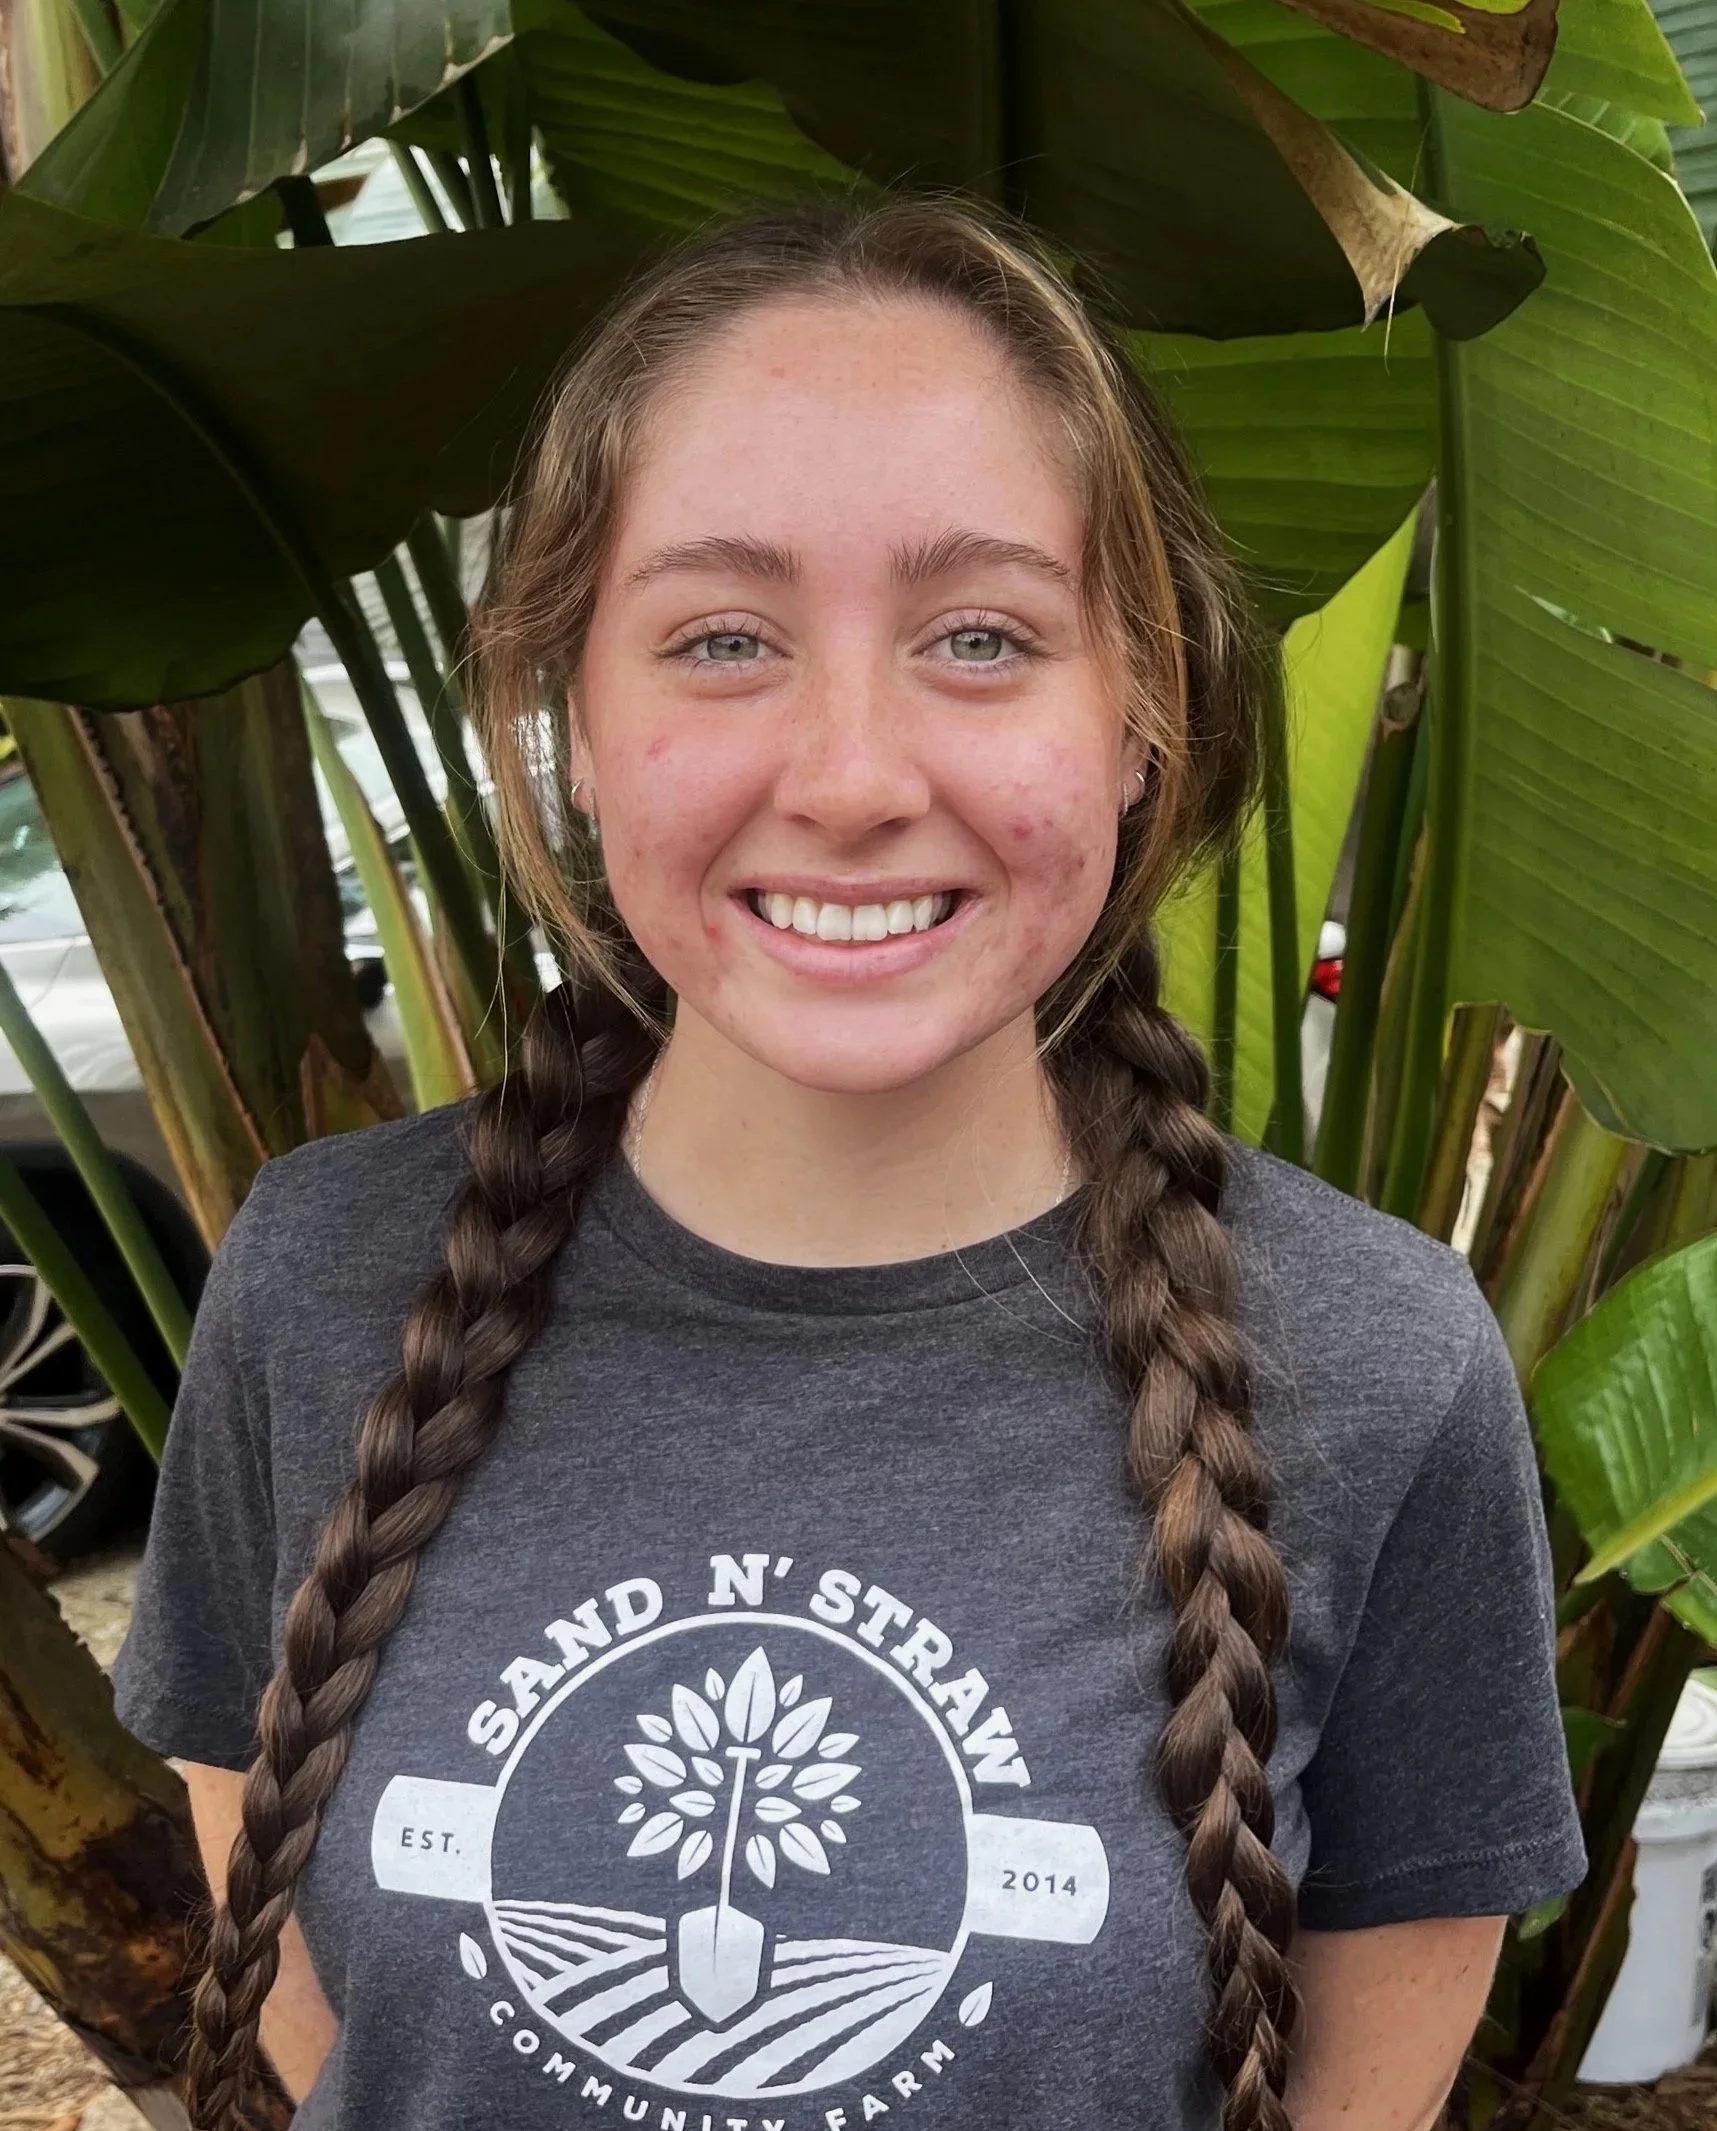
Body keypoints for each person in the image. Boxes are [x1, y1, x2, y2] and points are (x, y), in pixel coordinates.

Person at [113, 198, 1584, 2131]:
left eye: (982, 637)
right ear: (568, 706)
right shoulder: (321, 1283)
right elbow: (310, 1976)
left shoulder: (1378, 1361)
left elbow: (1378, 2032)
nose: (852, 774)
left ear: (1139, 709)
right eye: (722, 638)